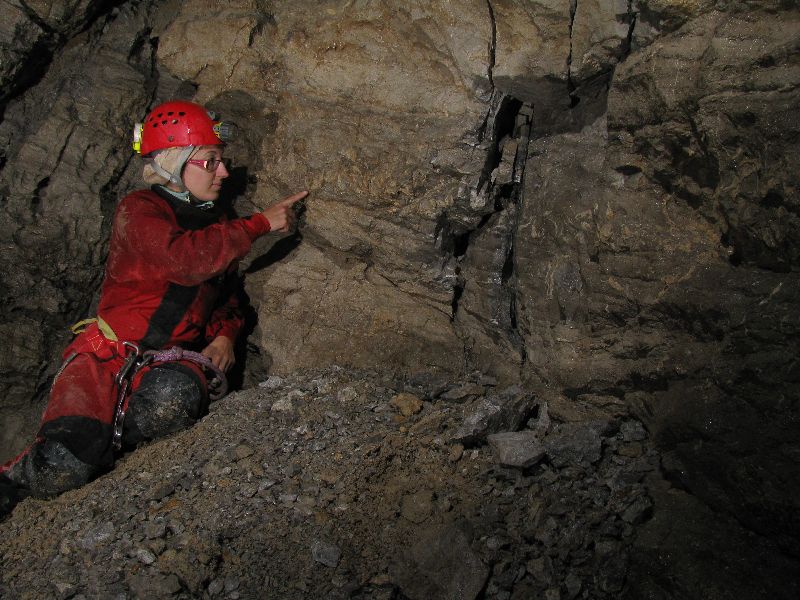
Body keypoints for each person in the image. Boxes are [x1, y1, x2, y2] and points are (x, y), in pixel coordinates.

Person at [0, 100, 307, 517]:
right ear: (175, 164)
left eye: (221, 162)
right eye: (211, 162)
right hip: (104, 359)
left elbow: (226, 297)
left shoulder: (218, 230)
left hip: (166, 364)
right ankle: (15, 482)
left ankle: (105, 466)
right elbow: (185, 261)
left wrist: (225, 334)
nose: (223, 172)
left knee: (171, 401)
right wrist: (259, 224)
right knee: (60, 466)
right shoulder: (140, 210)